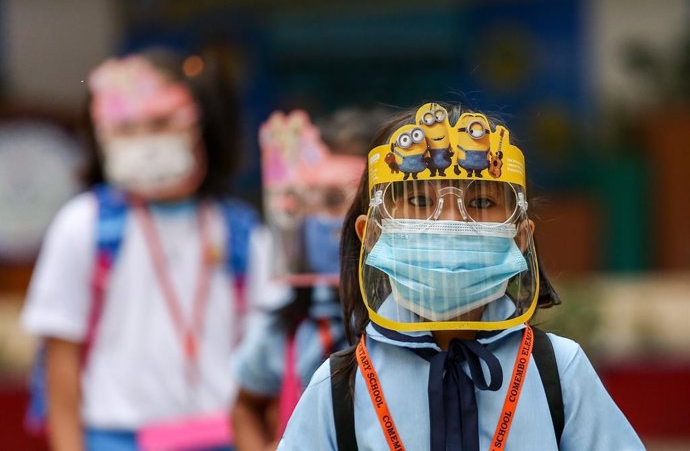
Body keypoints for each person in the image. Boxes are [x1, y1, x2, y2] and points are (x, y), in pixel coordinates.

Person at [278, 102, 644, 450]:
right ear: (372, 235)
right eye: (419, 202)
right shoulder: (340, 386)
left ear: (519, 235)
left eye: (481, 202)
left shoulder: (558, 370)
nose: (450, 222)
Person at [21, 49, 287, 451]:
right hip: (115, 438)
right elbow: (62, 359)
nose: (145, 141)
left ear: (203, 125)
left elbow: (269, 356)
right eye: (125, 127)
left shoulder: (243, 233)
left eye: (161, 122)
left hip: (224, 436)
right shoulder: (83, 224)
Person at [232, 109, 376, 451]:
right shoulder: (284, 330)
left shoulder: (408, 322)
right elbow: (244, 405)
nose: (324, 218)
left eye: (339, 200)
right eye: (307, 201)